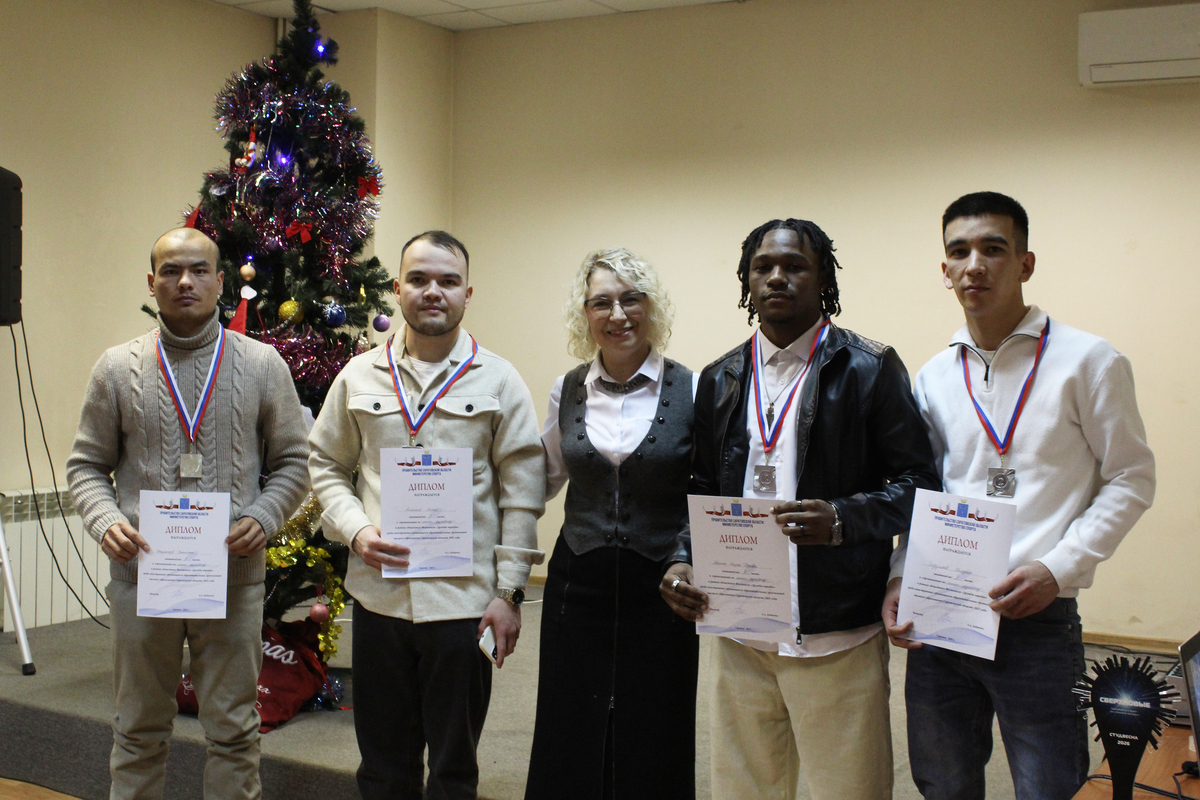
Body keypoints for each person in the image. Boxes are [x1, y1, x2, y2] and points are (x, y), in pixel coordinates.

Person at [883, 191, 1155, 800]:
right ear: (945, 270)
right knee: (942, 783)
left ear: (1025, 263)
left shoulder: (1089, 361)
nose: (975, 265)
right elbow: (921, 491)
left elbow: (1132, 477)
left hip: (1035, 616)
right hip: (941, 613)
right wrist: (901, 575)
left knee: (1049, 786)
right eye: (959, 252)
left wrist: (1058, 569)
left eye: (993, 249)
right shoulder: (933, 376)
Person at [661, 218, 940, 800]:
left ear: (823, 279)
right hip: (740, 628)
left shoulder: (868, 367)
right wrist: (683, 558)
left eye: (795, 266)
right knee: (743, 790)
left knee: (849, 790)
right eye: (762, 266)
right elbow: (703, 487)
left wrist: (841, 519)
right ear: (747, 280)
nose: (776, 277)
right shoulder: (721, 376)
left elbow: (919, 484)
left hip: (836, 630)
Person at [66, 227, 310, 800]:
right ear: (151, 282)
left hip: (232, 577)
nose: (185, 282)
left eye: (199, 270)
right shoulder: (116, 367)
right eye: (171, 271)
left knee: (233, 731)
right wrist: (106, 522)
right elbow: (85, 466)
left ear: (220, 282)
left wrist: (264, 516)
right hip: (142, 575)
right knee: (137, 729)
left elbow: (295, 462)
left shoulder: (262, 364)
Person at [307, 230, 546, 800]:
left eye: (447, 280)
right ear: (397, 289)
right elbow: (326, 464)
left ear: (468, 293)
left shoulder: (499, 379)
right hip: (380, 600)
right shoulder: (358, 376)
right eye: (418, 279)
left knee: (453, 769)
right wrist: (356, 531)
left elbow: (522, 494)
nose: (432, 291)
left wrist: (510, 594)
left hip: (463, 606)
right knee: (382, 767)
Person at [525, 249, 699, 800]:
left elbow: (706, 488)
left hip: (663, 583)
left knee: (656, 720)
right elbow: (541, 478)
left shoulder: (693, 389)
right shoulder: (566, 389)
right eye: (602, 302)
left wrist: (688, 555)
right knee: (568, 718)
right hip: (579, 579)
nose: (618, 314)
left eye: (631, 299)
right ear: (586, 314)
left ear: (652, 306)